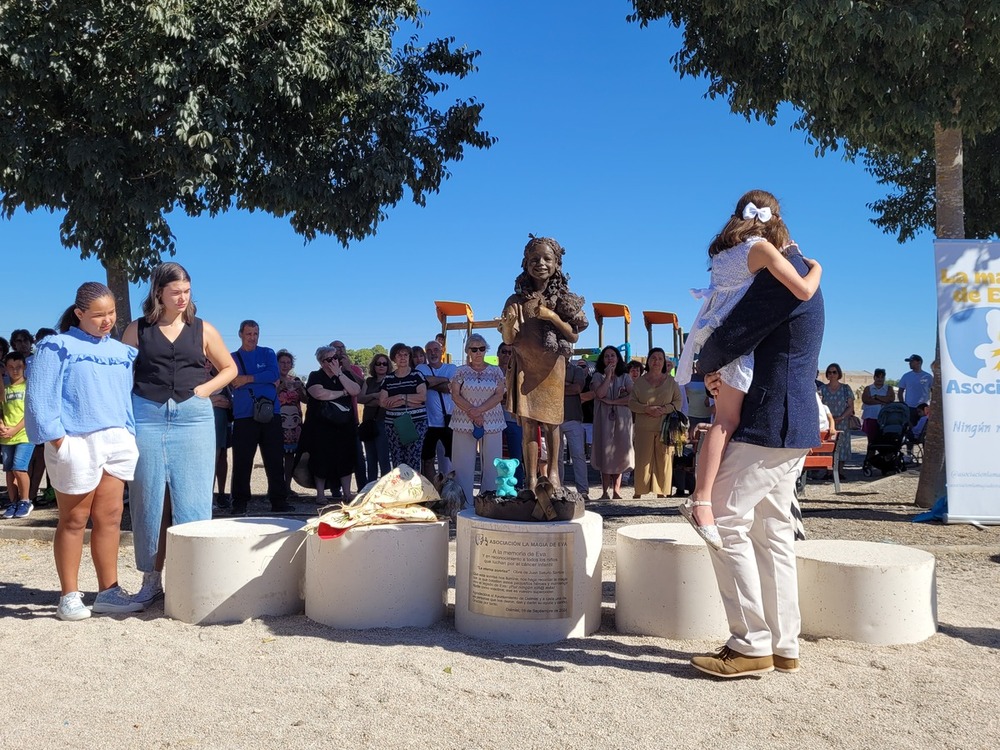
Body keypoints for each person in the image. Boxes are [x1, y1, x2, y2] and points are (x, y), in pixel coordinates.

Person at [689, 214, 825, 678]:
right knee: (772, 533)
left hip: (768, 423)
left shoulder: (776, 279)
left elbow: (731, 336)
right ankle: (785, 644)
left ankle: (750, 642)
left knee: (721, 518)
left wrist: (708, 366)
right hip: (793, 424)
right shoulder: (804, 269)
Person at [674, 189, 822, 548]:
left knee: (721, 416)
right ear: (774, 220)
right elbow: (802, 289)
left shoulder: (725, 252)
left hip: (714, 329)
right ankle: (703, 500)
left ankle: (703, 497)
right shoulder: (761, 250)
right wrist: (817, 265)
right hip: (735, 345)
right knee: (725, 422)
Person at [25, 282, 145, 620]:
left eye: (112, 313)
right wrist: (58, 440)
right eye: (99, 315)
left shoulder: (122, 352)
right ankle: (69, 595)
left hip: (116, 440)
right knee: (74, 518)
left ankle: (109, 591)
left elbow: (123, 397)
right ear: (79, 314)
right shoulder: (56, 346)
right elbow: (39, 398)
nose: (107, 320)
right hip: (74, 440)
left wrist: (128, 433)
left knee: (109, 518)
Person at [122, 262, 237, 607]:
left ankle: (192, 579)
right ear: (159, 292)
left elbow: (229, 367)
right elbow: (119, 374)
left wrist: (205, 390)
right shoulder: (137, 330)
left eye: (187, 291)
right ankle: (150, 580)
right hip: (147, 416)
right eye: (176, 292)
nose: (183, 297)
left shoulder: (203, 329)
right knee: (147, 497)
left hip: (194, 419)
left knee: (194, 500)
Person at [500, 235, 588, 492]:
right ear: (525, 263)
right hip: (525, 367)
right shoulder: (515, 300)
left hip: (552, 367)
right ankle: (529, 479)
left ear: (557, 263)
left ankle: (554, 474)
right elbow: (509, 339)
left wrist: (552, 316)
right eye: (534, 259)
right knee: (528, 425)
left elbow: (573, 335)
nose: (540, 263)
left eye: (547, 258)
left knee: (552, 424)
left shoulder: (562, 299)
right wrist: (507, 326)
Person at [229, 320, 294, 515]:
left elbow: (273, 373)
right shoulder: (233, 357)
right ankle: (239, 503)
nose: (252, 337)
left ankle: (278, 501)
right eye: (249, 334)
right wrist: (262, 378)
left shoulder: (267, 353)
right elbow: (233, 380)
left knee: (274, 459)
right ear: (240, 334)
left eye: (255, 334)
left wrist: (247, 379)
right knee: (242, 461)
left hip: (270, 414)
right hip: (244, 415)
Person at [449, 334, 506, 503]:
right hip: (463, 422)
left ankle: (489, 501)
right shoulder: (460, 371)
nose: (478, 352)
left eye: (481, 348)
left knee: (493, 463)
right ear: (468, 351)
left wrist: (479, 411)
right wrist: (473, 412)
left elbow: (499, 395)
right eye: (474, 349)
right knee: (462, 464)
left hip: (493, 421)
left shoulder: (496, 371)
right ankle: (464, 503)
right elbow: (455, 395)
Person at [301, 346, 361, 501]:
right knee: (320, 458)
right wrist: (342, 393)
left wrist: (339, 374)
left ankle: (347, 493)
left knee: (345, 458)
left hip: (344, 425)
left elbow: (355, 390)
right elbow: (319, 393)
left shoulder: (345, 374)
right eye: (329, 359)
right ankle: (320, 494)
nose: (334, 361)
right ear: (322, 362)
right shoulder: (316, 375)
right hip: (321, 426)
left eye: (335, 358)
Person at [629, 347, 683, 499]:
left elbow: (678, 402)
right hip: (643, 428)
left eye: (660, 358)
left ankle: (662, 492)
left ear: (664, 362)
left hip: (665, 428)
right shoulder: (639, 382)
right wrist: (646, 409)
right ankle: (639, 491)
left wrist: (664, 409)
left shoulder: (671, 382)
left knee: (664, 460)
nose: (657, 361)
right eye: (653, 358)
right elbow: (631, 403)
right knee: (642, 460)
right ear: (648, 361)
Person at [591, 345, 634, 500]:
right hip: (603, 420)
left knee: (620, 452)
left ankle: (617, 491)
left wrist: (612, 401)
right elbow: (600, 393)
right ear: (603, 360)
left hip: (622, 420)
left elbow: (632, 398)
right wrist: (608, 376)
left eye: (613, 356)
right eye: (607, 356)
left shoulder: (626, 377)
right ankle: (604, 492)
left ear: (618, 358)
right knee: (605, 452)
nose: (610, 359)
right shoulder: (597, 376)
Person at [379, 343, 428, 471]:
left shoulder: (417, 375)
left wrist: (400, 397)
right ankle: (399, 490)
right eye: (399, 355)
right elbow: (383, 402)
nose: (403, 358)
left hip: (416, 423)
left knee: (413, 458)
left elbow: (422, 397)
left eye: (406, 355)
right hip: (393, 424)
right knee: (397, 460)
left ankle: (414, 489)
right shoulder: (388, 379)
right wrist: (410, 400)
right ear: (393, 358)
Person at [417, 339, 455, 479]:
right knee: (427, 460)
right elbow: (422, 382)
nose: (433, 353)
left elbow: (449, 388)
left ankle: (453, 491)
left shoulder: (451, 368)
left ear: (442, 351)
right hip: (428, 423)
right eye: (429, 351)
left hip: (449, 420)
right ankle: (431, 491)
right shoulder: (421, 368)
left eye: (436, 350)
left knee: (453, 459)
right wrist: (444, 380)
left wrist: (429, 383)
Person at [1, 352, 32, 519]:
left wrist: (14, 429)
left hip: (24, 435)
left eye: (18, 367)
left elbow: (30, 413)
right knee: (9, 471)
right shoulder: (4, 389)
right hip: (6, 436)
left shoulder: (29, 387)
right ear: (6, 368)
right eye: (11, 367)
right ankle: (13, 502)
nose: (15, 371)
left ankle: (25, 500)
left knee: (19, 468)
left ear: (25, 367)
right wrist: (2, 426)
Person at [276, 349, 308, 495]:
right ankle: (275, 487)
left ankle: (287, 487)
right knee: (275, 456)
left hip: (294, 425)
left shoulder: (296, 381)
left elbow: (307, 400)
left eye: (288, 362)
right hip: (276, 422)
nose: (285, 365)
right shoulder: (272, 380)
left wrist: (301, 389)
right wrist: (280, 387)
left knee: (290, 456)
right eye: (282, 362)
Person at [358, 353, 391, 481]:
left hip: (383, 423)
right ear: (374, 366)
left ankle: (385, 490)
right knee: (371, 460)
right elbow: (360, 399)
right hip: (368, 423)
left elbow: (385, 403)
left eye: (384, 363)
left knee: (384, 460)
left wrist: (370, 398)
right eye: (378, 363)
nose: (381, 366)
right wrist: (375, 395)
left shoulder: (390, 379)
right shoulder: (369, 381)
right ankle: (370, 489)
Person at [496, 342, 525, 489]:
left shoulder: (518, 372)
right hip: (493, 421)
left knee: (516, 458)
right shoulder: (491, 372)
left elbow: (519, 396)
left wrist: (500, 397)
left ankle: (518, 488)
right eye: (504, 352)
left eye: (509, 352)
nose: (506, 355)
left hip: (513, 419)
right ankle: (495, 487)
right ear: (498, 354)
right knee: (495, 458)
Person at [560, 357, 589, 495]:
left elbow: (577, 388)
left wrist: (557, 386)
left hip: (573, 418)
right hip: (554, 419)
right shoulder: (549, 368)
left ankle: (583, 490)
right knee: (556, 457)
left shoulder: (577, 369)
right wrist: (567, 385)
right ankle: (557, 488)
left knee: (579, 455)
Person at [819, 362, 853, 479]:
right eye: (830, 372)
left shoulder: (845, 389)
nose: (832, 374)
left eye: (834, 372)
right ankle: (828, 472)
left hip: (842, 422)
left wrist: (842, 417)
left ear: (839, 374)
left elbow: (850, 406)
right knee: (828, 445)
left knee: (842, 446)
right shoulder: (822, 389)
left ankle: (840, 472)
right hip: (827, 422)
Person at [860, 368, 894, 446]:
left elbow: (890, 399)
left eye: (882, 377)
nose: (880, 379)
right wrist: (882, 401)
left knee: (884, 440)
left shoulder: (889, 388)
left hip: (885, 419)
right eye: (878, 377)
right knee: (871, 441)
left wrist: (876, 397)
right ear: (874, 377)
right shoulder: (868, 388)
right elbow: (866, 400)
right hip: (871, 417)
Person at [898, 354, 933, 425]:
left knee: (923, 428)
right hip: (910, 407)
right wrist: (902, 404)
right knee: (910, 428)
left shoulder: (928, 377)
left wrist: (932, 404)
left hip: (924, 408)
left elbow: (933, 391)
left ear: (919, 362)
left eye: (912, 362)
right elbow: (900, 391)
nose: (909, 364)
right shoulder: (906, 376)